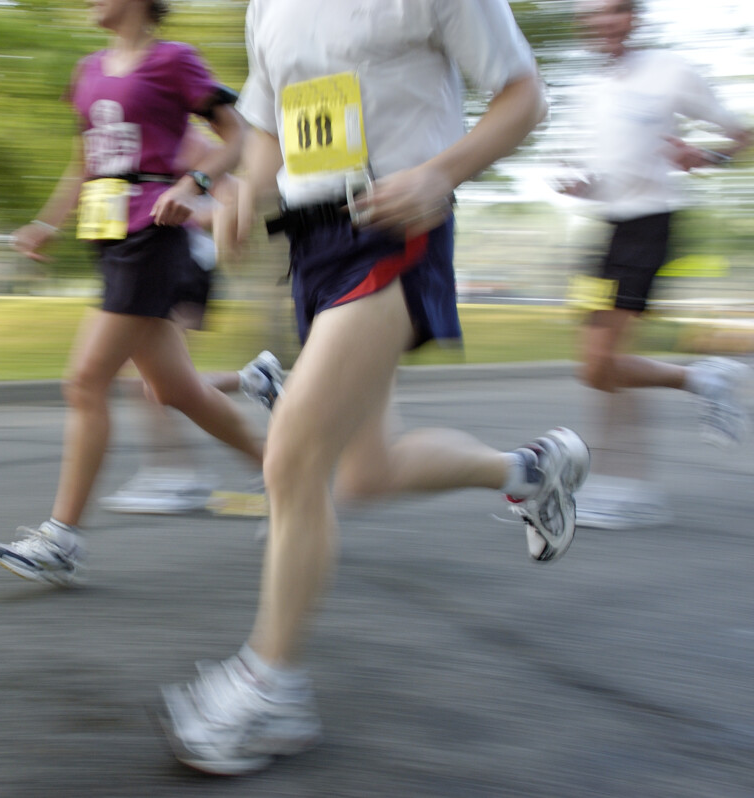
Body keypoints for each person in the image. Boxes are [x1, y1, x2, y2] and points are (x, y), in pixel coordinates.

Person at [160, 0, 590, 775]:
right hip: (314, 244)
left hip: (398, 224)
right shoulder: (270, 7)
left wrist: (440, 173)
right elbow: (266, 128)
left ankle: (270, 689)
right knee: (367, 469)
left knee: (292, 457)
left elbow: (524, 94)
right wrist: (238, 196)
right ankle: (530, 471)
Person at [0, 0, 266, 585]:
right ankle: (289, 477)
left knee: (84, 380)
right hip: (106, 235)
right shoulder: (88, 69)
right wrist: (47, 223)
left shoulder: (175, 61)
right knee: (178, 389)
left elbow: (235, 135)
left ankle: (61, 538)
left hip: (154, 234)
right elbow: (83, 163)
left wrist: (195, 183)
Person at [556, 0, 752, 530]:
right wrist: (578, 181)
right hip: (607, 233)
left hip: (651, 226)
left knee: (606, 356)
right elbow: (594, 171)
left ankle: (626, 488)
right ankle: (700, 379)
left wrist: (706, 157)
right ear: (585, 24)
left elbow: (741, 137)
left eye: (615, 11)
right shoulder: (585, 90)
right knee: (594, 367)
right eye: (593, 14)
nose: (604, 22)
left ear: (634, 18)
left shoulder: (671, 71)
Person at [101, 128, 285, 515]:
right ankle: (252, 381)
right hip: (150, 261)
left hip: (184, 261)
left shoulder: (185, 137)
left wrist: (189, 212)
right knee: (158, 381)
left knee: (151, 383)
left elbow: (233, 197)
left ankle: (178, 476)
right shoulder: (128, 136)